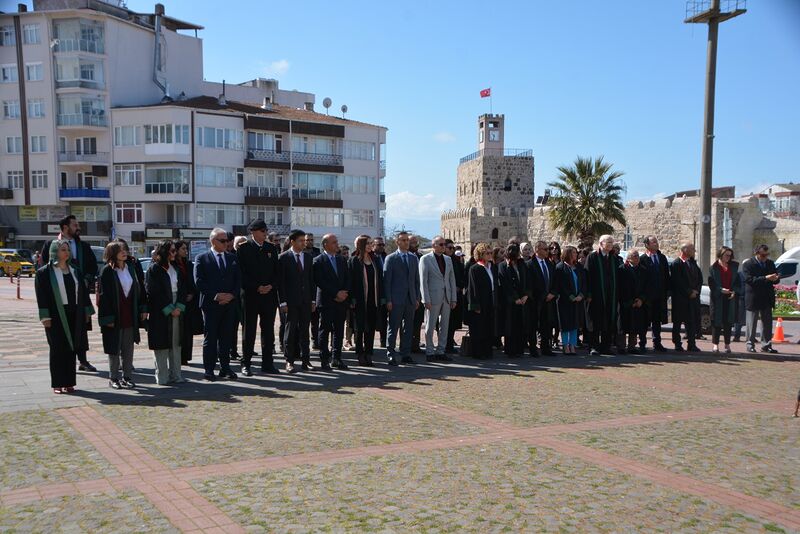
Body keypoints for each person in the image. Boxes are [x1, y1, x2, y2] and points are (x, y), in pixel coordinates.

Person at [40, 215, 99, 372]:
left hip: (79, 294)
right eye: (75, 225)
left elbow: (93, 266)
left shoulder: (83, 246)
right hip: (58, 296)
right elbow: (43, 270)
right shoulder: (49, 245)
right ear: (65, 227)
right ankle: (66, 363)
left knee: (81, 328)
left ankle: (83, 360)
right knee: (61, 331)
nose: (78, 227)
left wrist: (86, 280)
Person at [36, 239, 94, 394]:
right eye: (63, 249)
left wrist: (87, 312)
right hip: (55, 315)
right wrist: (45, 317)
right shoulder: (44, 273)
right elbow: (41, 297)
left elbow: (82, 293)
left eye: (67, 249)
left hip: (74, 313)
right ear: (54, 251)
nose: (66, 252)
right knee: (57, 349)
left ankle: (69, 382)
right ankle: (57, 383)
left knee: (71, 348)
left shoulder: (75, 270)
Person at [98, 241, 147, 389]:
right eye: (120, 250)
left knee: (128, 348)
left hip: (130, 314)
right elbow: (103, 296)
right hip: (115, 315)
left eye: (124, 249)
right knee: (114, 347)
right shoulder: (107, 271)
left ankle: (127, 377)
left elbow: (140, 289)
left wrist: (143, 309)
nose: (124, 252)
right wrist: (108, 318)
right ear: (112, 253)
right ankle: (113, 378)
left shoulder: (131, 268)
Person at [236, 219, 281, 376]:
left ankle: (267, 363)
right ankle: (246, 363)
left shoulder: (271, 248)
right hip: (250, 295)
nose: (265, 234)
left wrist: (270, 286)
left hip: (268, 296)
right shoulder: (244, 248)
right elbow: (241, 274)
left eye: (266, 231)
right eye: (262, 231)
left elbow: (277, 271)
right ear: (253, 232)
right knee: (249, 330)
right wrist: (256, 287)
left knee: (268, 330)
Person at [194, 228, 240, 381]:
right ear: (213, 241)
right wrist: (216, 295)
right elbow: (199, 281)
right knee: (211, 338)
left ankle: (225, 368)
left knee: (226, 338)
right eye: (223, 241)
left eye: (227, 240)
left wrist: (231, 295)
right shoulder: (202, 258)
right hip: (211, 305)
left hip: (229, 304)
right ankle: (209, 369)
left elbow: (237, 280)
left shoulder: (232, 258)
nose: (227, 243)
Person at [145, 241, 187, 385]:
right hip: (160, 312)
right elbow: (154, 292)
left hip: (177, 309)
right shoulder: (154, 270)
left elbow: (182, 289)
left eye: (175, 251)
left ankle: (176, 375)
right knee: (161, 345)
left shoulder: (176, 268)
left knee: (176, 344)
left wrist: (179, 307)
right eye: (172, 251)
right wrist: (170, 309)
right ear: (164, 252)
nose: (175, 253)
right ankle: (162, 377)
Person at [278, 229, 316, 373]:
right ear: (292, 241)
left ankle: (306, 360)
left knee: (304, 332)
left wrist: (313, 300)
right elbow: (281, 283)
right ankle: (289, 361)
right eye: (301, 240)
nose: (304, 243)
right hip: (290, 302)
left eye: (304, 240)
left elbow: (311, 280)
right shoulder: (283, 258)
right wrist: (283, 302)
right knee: (290, 331)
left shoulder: (308, 257)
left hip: (305, 301)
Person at [312, 234, 351, 371]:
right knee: (325, 329)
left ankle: (337, 358)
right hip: (326, 301)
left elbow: (347, 278)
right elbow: (320, 281)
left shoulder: (341, 260)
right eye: (334, 242)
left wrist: (344, 293)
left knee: (339, 331)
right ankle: (324, 359)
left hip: (341, 301)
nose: (337, 244)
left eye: (337, 242)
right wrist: (335, 293)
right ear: (325, 245)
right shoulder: (318, 261)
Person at [383, 231, 421, 365]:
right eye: (403, 240)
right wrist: (388, 299)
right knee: (393, 327)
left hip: (410, 299)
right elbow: (387, 281)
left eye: (407, 240)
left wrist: (417, 297)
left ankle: (405, 353)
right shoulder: (391, 258)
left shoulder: (413, 258)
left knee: (408, 328)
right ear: (397, 242)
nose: (406, 242)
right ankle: (391, 354)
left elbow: (416, 280)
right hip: (395, 299)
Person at [419, 236, 458, 362]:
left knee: (444, 325)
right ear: (434, 245)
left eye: (444, 245)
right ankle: (430, 351)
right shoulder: (425, 259)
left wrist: (453, 298)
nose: (444, 247)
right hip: (432, 297)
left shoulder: (448, 259)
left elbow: (451, 279)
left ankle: (441, 350)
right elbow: (423, 281)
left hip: (446, 297)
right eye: (441, 244)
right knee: (430, 326)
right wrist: (425, 299)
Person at [349, 235, 383, 365]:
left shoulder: (375, 260)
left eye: (371, 243)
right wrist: (352, 299)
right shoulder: (354, 261)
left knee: (371, 327)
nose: (370, 245)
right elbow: (350, 281)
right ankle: (360, 353)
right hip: (359, 300)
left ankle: (369, 353)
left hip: (373, 300)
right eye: (368, 243)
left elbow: (380, 280)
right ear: (361, 245)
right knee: (360, 328)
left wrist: (382, 298)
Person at [742, 244, 780, 354]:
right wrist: (766, 278)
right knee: (751, 323)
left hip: (767, 297)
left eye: (767, 255)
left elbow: (776, 277)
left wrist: (776, 278)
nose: (765, 257)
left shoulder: (770, 263)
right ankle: (750, 344)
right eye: (763, 255)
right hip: (753, 297)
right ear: (757, 253)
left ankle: (766, 345)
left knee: (767, 323)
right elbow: (749, 280)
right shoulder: (748, 264)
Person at [585, 235, 619, 356]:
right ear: (601, 243)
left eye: (611, 242)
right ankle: (593, 346)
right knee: (595, 321)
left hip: (610, 295)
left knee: (608, 321)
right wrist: (588, 293)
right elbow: (587, 276)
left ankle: (606, 346)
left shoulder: (613, 258)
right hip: (596, 295)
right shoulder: (593, 257)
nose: (610, 244)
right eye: (608, 242)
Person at [639, 236, 670, 352]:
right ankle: (642, 343)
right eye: (654, 242)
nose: (656, 244)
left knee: (657, 320)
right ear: (647, 245)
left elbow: (666, 275)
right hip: (647, 297)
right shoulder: (643, 259)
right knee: (644, 320)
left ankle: (657, 343)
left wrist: (667, 291)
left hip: (660, 295)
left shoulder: (662, 258)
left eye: (657, 242)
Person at [670, 242, 703, 352]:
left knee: (691, 322)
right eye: (692, 248)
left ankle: (691, 344)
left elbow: (699, 279)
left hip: (693, 298)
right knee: (678, 322)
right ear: (685, 250)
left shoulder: (693, 263)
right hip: (680, 298)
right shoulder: (676, 264)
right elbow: (677, 282)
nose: (694, 250)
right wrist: (689, 292)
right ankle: (677, 344)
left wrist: (696, 291)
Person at [708, 246, 741, 354]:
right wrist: (720, 290)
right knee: (716, 322)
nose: (728, 257)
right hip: (717, 298)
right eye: (726, 255)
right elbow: (711, 283)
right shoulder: (714, 267)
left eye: (730, 255)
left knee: (728, 322)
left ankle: (727, 344)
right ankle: (715, 345)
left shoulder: (734, 267)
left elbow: (737, 282)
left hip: (729, 298)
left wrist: (734, 292)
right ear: (721, 255)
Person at [174, 240, 202, 365]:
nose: (185, 251)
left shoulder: (189, 264)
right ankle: (177, 356)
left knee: (187, 330)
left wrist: (192, 293)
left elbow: (194, 280)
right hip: (177, 301)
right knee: (178, 329)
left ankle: (185, 356)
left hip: (190, 303)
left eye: (186, 249)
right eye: (183, 249)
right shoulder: (173, 265)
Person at [467, 243, 497, 359]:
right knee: (479, 328)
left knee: (489, 327)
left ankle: (487, 351)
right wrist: (475, 306)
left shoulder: (492, 267)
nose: (490, 255)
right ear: (480, 254)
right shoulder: (475, 268)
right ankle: (478, 352)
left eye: (491, 253)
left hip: (490, 300)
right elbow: (472, 288)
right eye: (487, 253)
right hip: (480, 302)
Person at [498, 244, 528, 357]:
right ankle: (510, 350)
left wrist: (525, 295)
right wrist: (514, 298)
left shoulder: (521, 264)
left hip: (522, 299)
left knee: (520, 325)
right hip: (510, 301)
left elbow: (525, 279)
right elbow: (505, 284)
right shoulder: (503, 265)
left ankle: (519, 349)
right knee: (510, 326)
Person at [528, 241, 556, 356]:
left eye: (547, 249)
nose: (547, 251)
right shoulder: (529, 264)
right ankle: (533, 348)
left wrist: (553, 293)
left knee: (546, 325)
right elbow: (529, 283)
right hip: (535, 300)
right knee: (533, 325)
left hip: (548, 300)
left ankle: (546, 348)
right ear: (537, 250)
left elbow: (554, 281)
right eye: (545, 249)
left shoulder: (550, 264)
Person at [553, 245, 583, 355]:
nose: (576, 254)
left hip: (577, 300)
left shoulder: (578, 267)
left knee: (574, 324)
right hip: (565, 301)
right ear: (568, 254)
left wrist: (580, 294)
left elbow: (583, 282)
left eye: (576, 252)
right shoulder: (560, 267)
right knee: (565, 324)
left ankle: (572, 345)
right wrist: (570, 296)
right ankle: (565, 345)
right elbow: (559, 285)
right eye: (574, 253)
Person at [619, 249, 648, 354]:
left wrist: (641, 299)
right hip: (625, 302)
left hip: (638, 302)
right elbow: (620, 287)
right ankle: (621, 347)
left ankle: (632, 346)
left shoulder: (644, 270)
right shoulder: (622, 269)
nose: (636, 257)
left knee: (635, 325)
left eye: (637, 256)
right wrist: (629, 301)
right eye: (634, 256)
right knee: (623, 325)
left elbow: (646, 287)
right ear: (628, 258)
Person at [444, 239, 465, 354]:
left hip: (456, 295)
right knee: (445, 322)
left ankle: (449, 344)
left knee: (453, 322)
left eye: (453, 248)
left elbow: (461, 274)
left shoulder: (455, 261)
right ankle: (445, 345)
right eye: (449, 248)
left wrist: (460, 286)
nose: (451, 250)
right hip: (445, 295)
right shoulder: (442, 260)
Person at [304, 233, 322, 350]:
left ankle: (315, 340)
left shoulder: (317, 252)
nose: (309, 242)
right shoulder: (302, 252)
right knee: (305, 320)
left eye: (311, 240)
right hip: (305, 288)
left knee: (315, 319)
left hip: (315, 288)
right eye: (307, 240)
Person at [408, 235, 426, 354]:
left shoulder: (421, 257)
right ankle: (406, 345)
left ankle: (415, 344)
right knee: (407, 322)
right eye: (412, 242)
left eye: (416, 242)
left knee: (418, 321)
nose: (415, 244)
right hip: (407, 294)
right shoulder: (404, 257)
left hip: (420, 294)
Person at [372, 236, 388, 348]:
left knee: (384, 318)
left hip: (385, 292)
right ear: (373, 245)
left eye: (383, 245)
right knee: (373, 317)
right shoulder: (370, 257)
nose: (381, 247)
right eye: (379, 245)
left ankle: (383, 341)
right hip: (373, 292)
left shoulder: (386, 257)